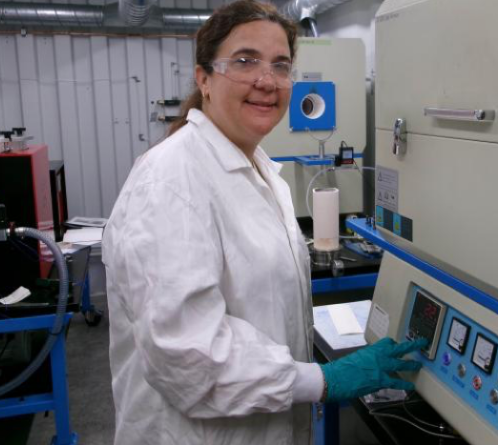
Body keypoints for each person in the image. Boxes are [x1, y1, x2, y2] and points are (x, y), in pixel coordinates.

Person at [102, 1, 426, 444]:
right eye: (244, 61)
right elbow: (190, 357)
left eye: (281, 65)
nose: (266, 81)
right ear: (204, 79)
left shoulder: (259, 169)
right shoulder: (171, 182)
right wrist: (322, 381)